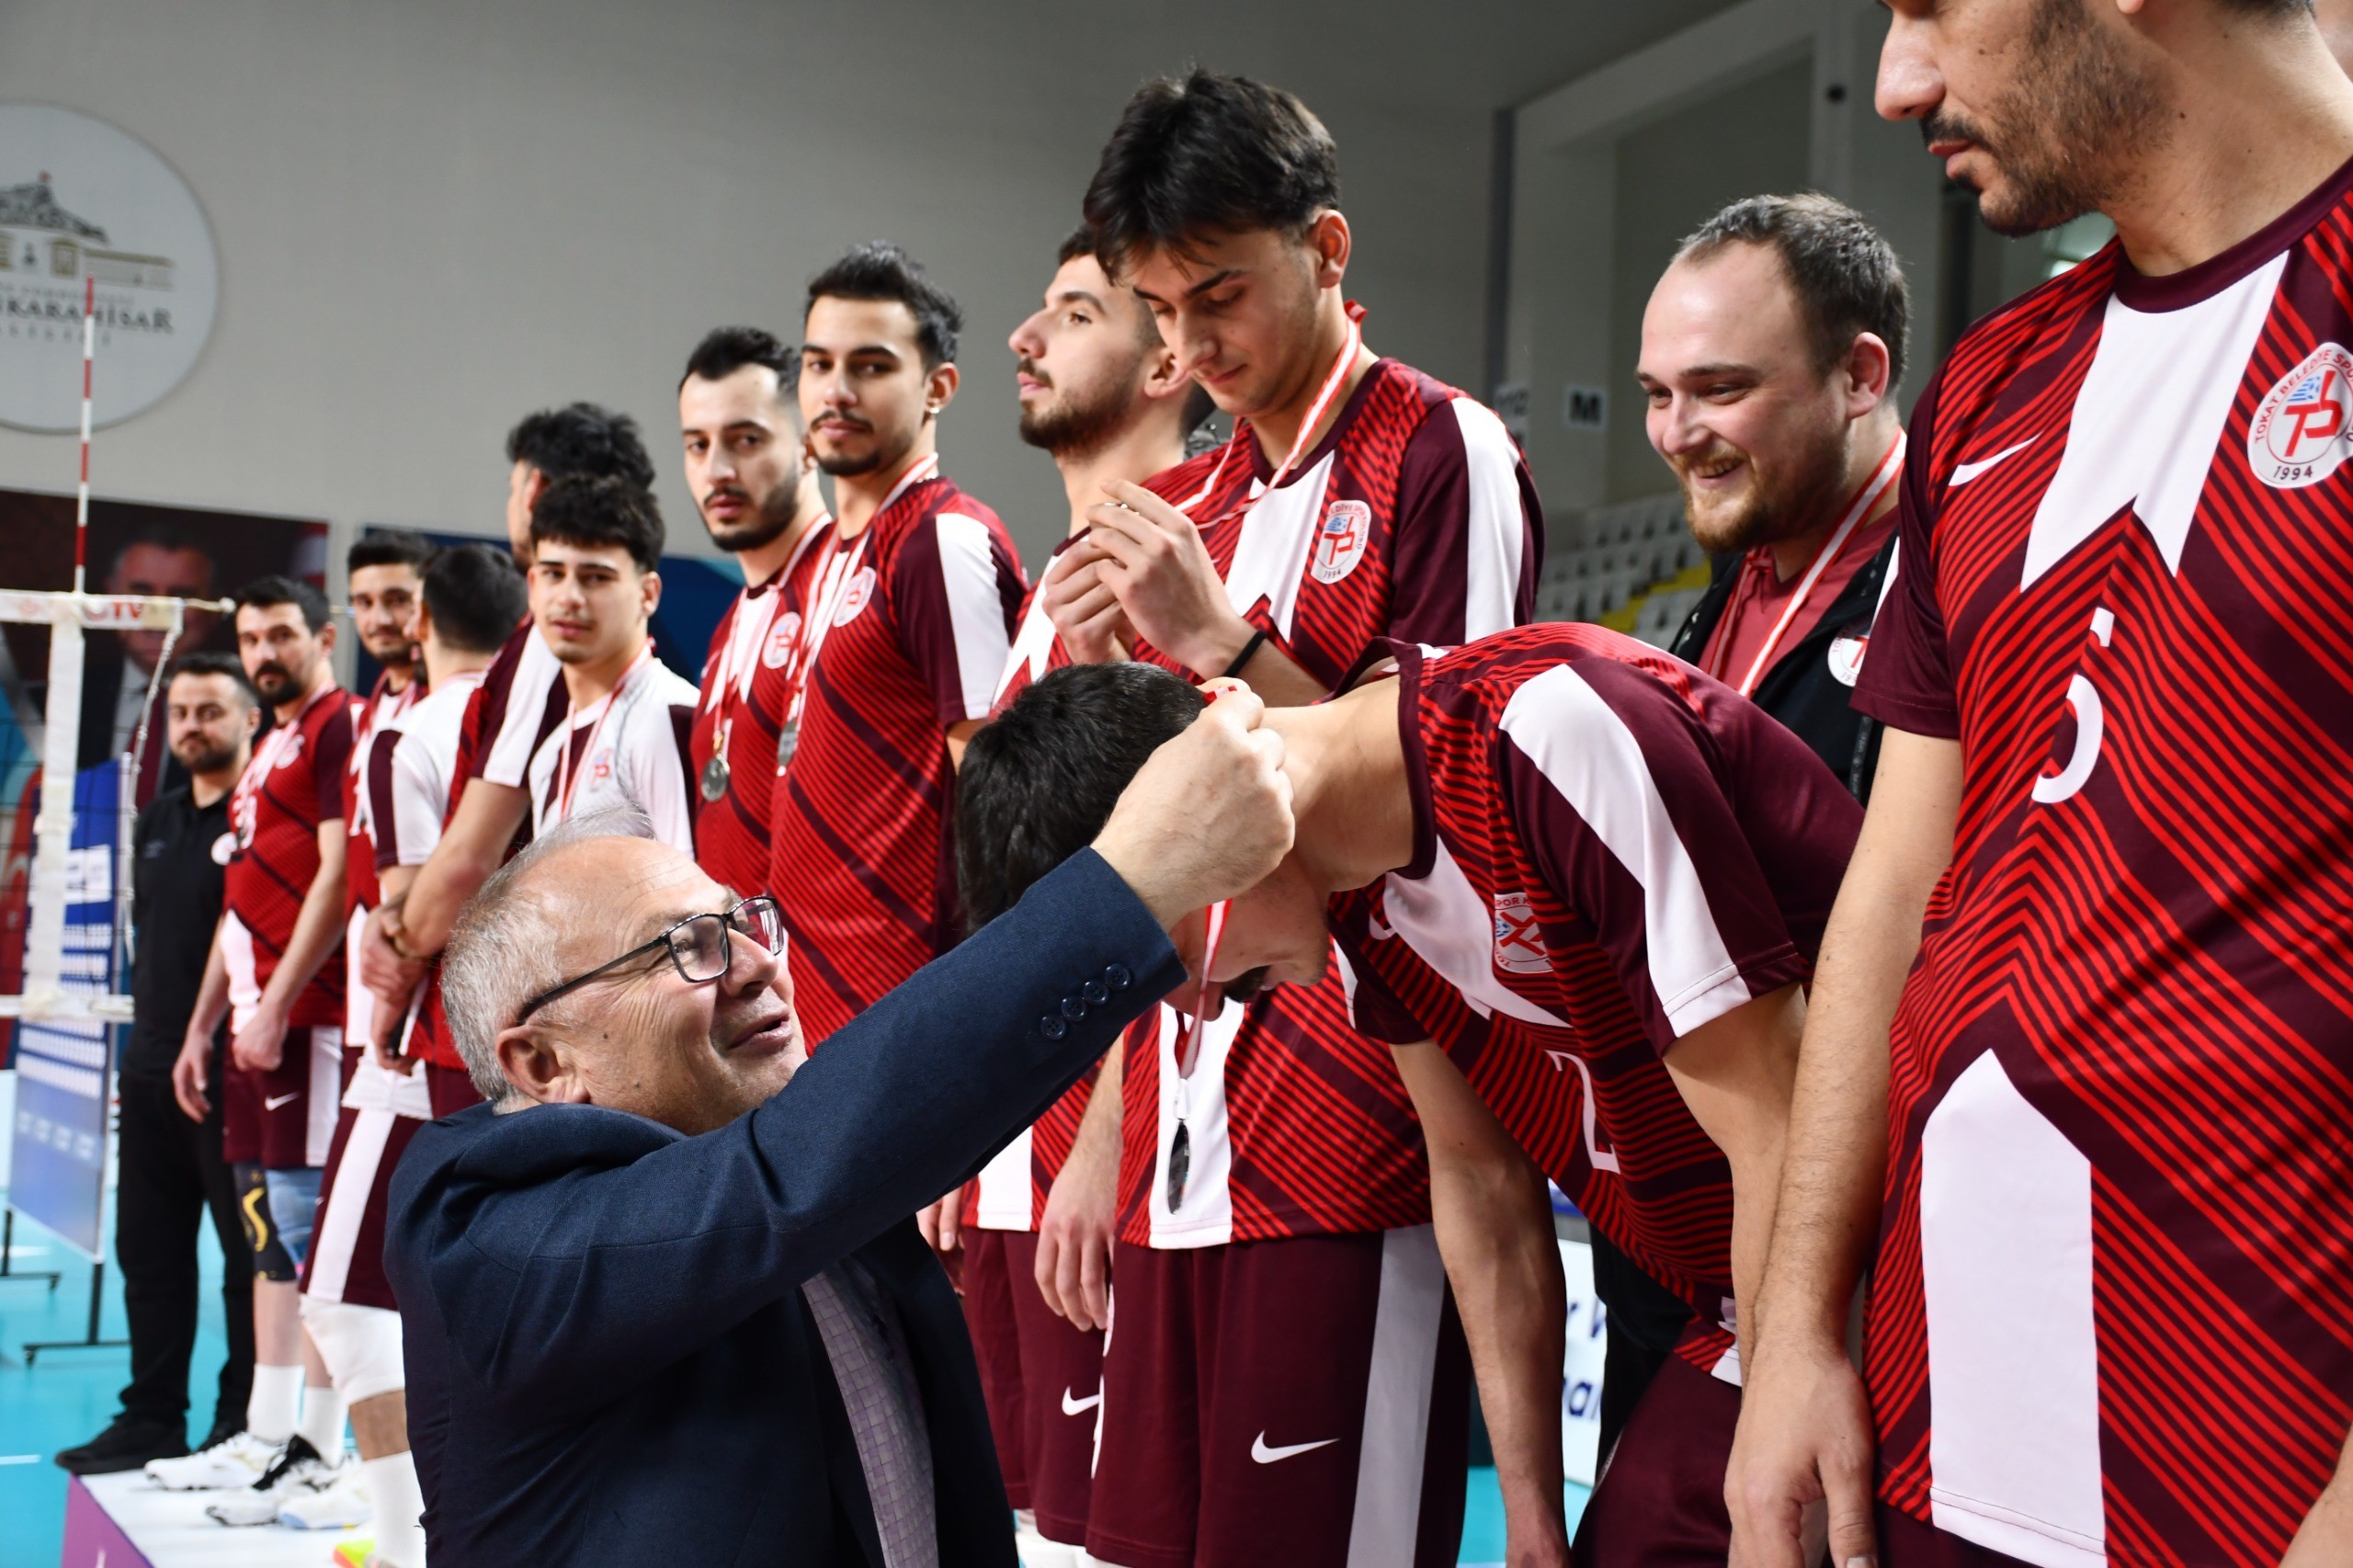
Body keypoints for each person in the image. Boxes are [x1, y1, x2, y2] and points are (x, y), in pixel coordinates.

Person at [1726, 3, 2353, 1566]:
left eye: (1932, 5)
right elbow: (1894, 887)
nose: (1893, 82)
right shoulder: (1993, 382)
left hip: (2258, 1456)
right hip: (1941, 1423)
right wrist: (1798, 1326)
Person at [961, 640, 1860, 1568]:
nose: (1187, 1000)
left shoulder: (1544, 728)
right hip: (1744, 1295)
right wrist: (1531, 1523)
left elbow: (1780, 1120)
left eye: (1171, 954)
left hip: (1885, 1258)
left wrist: (1785, 1404)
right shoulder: (1350, 887)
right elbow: (1478, 1178)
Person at [385, 681, 1294, 1566]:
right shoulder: (480, 1231)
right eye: (683, 947)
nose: (752, 964)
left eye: (741, 922)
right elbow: (786, 1177)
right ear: (542, 1062)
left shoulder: (810, 1177)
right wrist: (1132, 877)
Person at [1035, 70, 1544, 1568]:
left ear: (1328, 249)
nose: (1193, 346)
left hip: (1356, 1133)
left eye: (1222, 296)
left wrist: (1215, 639)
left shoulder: (1444, 451)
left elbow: (1450, 806)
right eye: (1161, 311)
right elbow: (1156, 844)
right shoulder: (1189, 490)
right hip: (1179, 1138)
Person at [958, 224, 1212, 1567]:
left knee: (1094, 1543)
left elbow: (1196, 889)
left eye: (1069, 311)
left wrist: (1108, 1137)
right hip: (1006, 1145)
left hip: (1105, 1153)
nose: (1024, 335)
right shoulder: (1043, 602)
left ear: (1167, 352)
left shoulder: (1191, 567)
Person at [273, 545, 527, 1561]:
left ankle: (398, 1534)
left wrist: (388, 971)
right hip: (542, 1041)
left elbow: (407, 909)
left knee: (339, 1293)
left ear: (421, 622)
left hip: (428, 1042)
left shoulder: (404, 728)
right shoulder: (544, 719)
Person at [360, 403, 655, 1117]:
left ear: (531, 490)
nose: (569, 597)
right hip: (549, 1004)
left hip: (525, 1011)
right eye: (553, 574)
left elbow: (470, 855)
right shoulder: (566, 701)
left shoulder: (586, 677)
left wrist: (396, 943)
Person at [766, 242, 1026, 1047]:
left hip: (903, 1009)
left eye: (872, 367)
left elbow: (994, 784)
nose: (836, 391)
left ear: (938, 387)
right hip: (811, 998)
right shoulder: (829, 559)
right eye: (818, 365)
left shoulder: (940, 539)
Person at [156, 576, 353, 1502]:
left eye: (281, 635)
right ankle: (264, 1432)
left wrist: (275, 1000)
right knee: (264, 1236)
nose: (265, 652)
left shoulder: (334, 727)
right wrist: (205, 1023)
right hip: (248, 1024)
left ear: (321, 636)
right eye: (251, 638)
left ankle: (320, 1446)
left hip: (308, 1018)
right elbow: (238, 908)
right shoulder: (266, 745)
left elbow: (342, 868)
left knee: (310, 1242)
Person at [54, 654, 259, 1475]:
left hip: (229, 1077)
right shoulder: (159, 819)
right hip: (147, 1075)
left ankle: (241, 1422)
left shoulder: (258, 823)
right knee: (150, 1252)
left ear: (249, 719)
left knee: (247, 1265)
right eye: (180, 713)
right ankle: (151, 1418)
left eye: (210, 711)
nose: (191, 728)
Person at [1645, 194, 1908, 800]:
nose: (1676, 436)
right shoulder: (1745, 547)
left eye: (1721, 389)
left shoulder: (1952, 582)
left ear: (1858, 377)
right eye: (1658, 395)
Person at [678, 326, 835, 896]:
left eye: (745, 440)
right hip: (746, 965)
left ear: (809, 443)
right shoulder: (729, 625)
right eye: (697, 445)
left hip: (848, 971)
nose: (717, 469)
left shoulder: (847, 590)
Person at [523, 475, 699, 846]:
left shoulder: (667, 715)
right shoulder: (550, 752)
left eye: (596, 578)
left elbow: (702, 894)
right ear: (532, 587)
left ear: (648, 594)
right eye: (554, 574)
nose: (569, 597)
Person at [85, 523, 222, 799]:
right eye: (143, 591)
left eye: (180, 595)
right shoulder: (64, 698)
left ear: (213, 607)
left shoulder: (251, 715)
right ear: (111, 594)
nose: (159, 613)